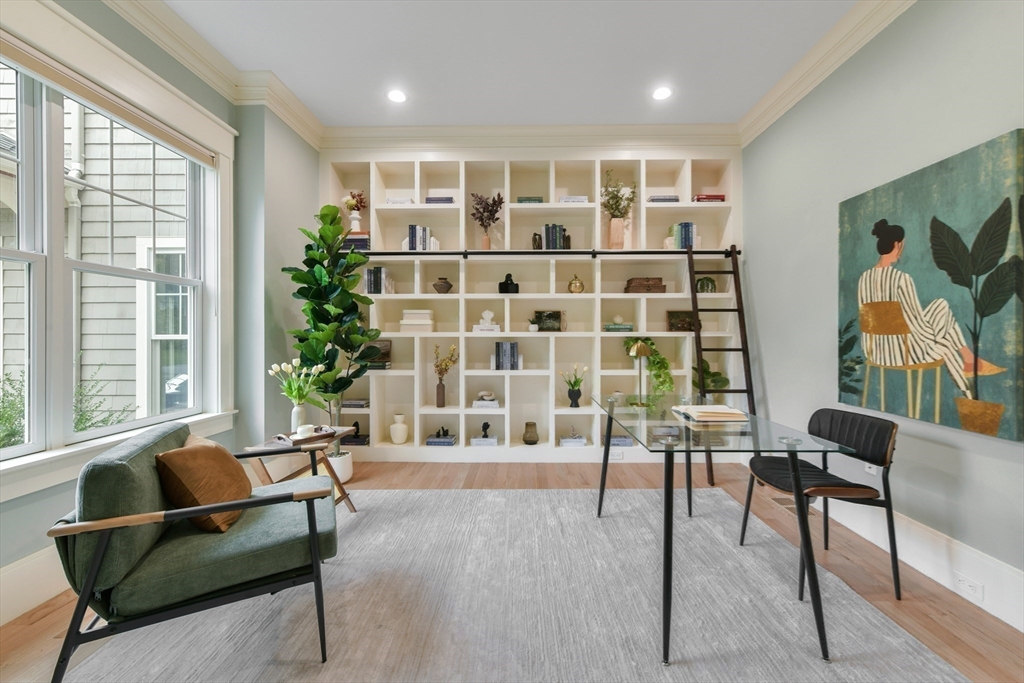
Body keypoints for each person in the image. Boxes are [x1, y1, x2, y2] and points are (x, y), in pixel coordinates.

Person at [857, 219, 1004, 400]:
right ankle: (969, 381)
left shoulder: (864, 278)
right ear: (897, 244)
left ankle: (969, 368)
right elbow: (916, 323)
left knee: (940, 309)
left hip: (874, 351)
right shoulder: (901, 279)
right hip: (903, 353)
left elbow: (869, 320)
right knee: (945, 341)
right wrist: (938, 335)